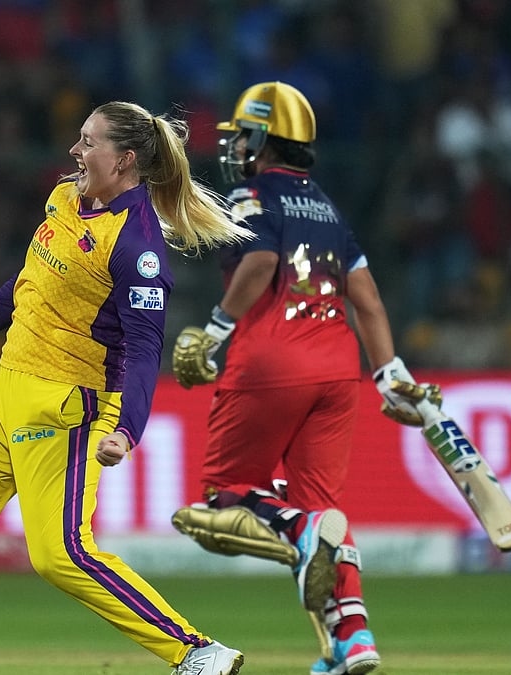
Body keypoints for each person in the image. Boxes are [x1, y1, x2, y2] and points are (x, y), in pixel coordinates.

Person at [0, 101, 252, 675]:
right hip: (3, 391)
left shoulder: (137, 246)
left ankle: (195, 650)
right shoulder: (65, 198)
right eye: (78, 138)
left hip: (68, 403)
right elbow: (30, 278)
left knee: (58, 553)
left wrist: (127, 429)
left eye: (88, 141)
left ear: (123, 160)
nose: (75, 151)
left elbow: (147, 350)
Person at [170, 82, 440, 675]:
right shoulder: (327, 206)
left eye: (244, 134)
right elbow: (365, 299)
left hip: (270, 361)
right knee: (327, 515)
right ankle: (351, 642)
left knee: (227, 496)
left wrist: (216, 329)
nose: (236, 145)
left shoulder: (250, 193)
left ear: (264, 138)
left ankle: (304, 528)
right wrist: (389, 373)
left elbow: (261, 262)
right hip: (339, 370)